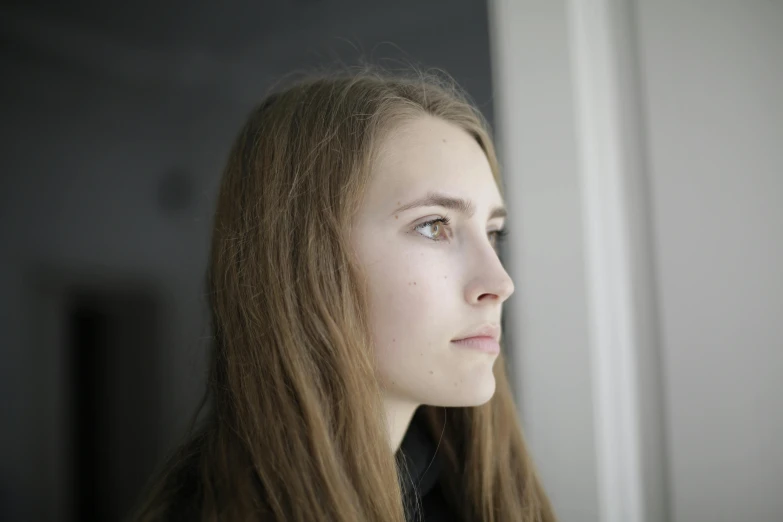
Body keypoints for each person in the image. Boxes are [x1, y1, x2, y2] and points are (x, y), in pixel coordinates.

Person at [130, 66, 556, 522]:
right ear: (303, 259)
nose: (500, 283)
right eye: (434, 226)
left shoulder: (471, 495)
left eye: (494, 232)